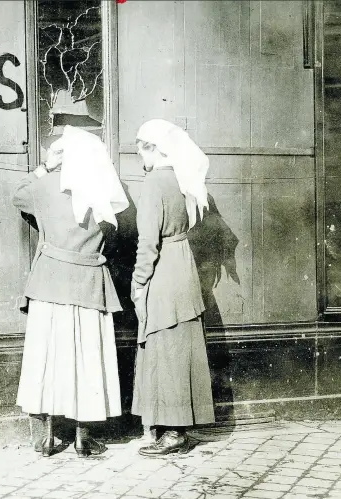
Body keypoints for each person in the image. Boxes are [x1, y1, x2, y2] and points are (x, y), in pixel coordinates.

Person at [13, 125, 129, 457]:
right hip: (90, 283)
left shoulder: (47, 186)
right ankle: (83, 437)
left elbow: (18, 193)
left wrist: (46, 166)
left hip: (50, 282)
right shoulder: (104, 189)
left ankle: (48, 437)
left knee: (49, 358)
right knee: (88, 359)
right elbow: (115, 235)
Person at [131, 118, 215, 456]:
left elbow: (148, 244)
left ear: (154, 148)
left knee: (165, 351)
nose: (139, 154)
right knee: (180, 351)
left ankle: (173, 433)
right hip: (184, 268)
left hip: (164, 272)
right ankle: (175, 427)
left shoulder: (153, 184)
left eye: (141, 147)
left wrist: (138, 282)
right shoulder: (180, 180)